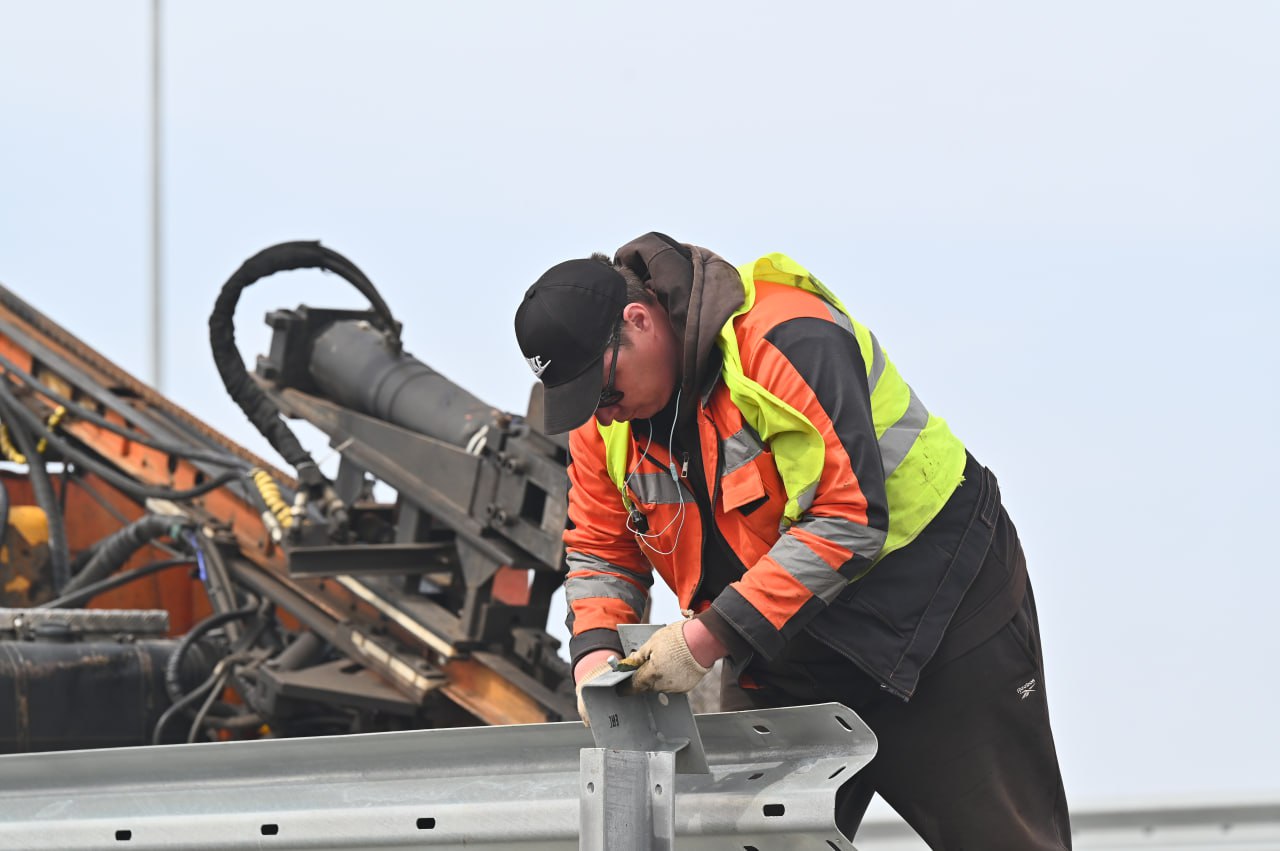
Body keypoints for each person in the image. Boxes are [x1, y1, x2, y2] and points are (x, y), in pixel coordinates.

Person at [514, 232, 1071, 849]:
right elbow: (599, 548)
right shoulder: (604, 424)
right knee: (757, 841)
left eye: (604, 389)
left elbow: (847, 514)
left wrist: (701, 640)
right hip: (781, 644)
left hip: (940, 612)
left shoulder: (783, 335)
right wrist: (594, 657)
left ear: (638, 321)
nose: (605, 413)